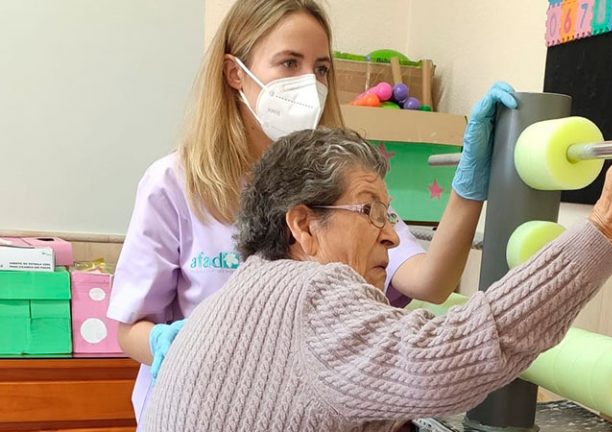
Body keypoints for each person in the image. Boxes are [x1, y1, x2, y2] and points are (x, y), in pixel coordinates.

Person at [106, 0, 516, 423]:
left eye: (321, 69)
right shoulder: (175, 183)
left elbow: (431, 281)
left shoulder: (341, 181)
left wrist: (468, 189)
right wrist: (170, 342)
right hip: (200, 411)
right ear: (235, 73)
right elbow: (129, 327)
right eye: (288, 63)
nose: (310, 84)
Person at [142, 123, 612, 431]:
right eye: (371, 212)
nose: (390, 235)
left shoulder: (247, 287)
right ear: (303, 227)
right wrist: (604, 233)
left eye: (391, 216)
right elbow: (457, 355)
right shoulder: (309, 292)